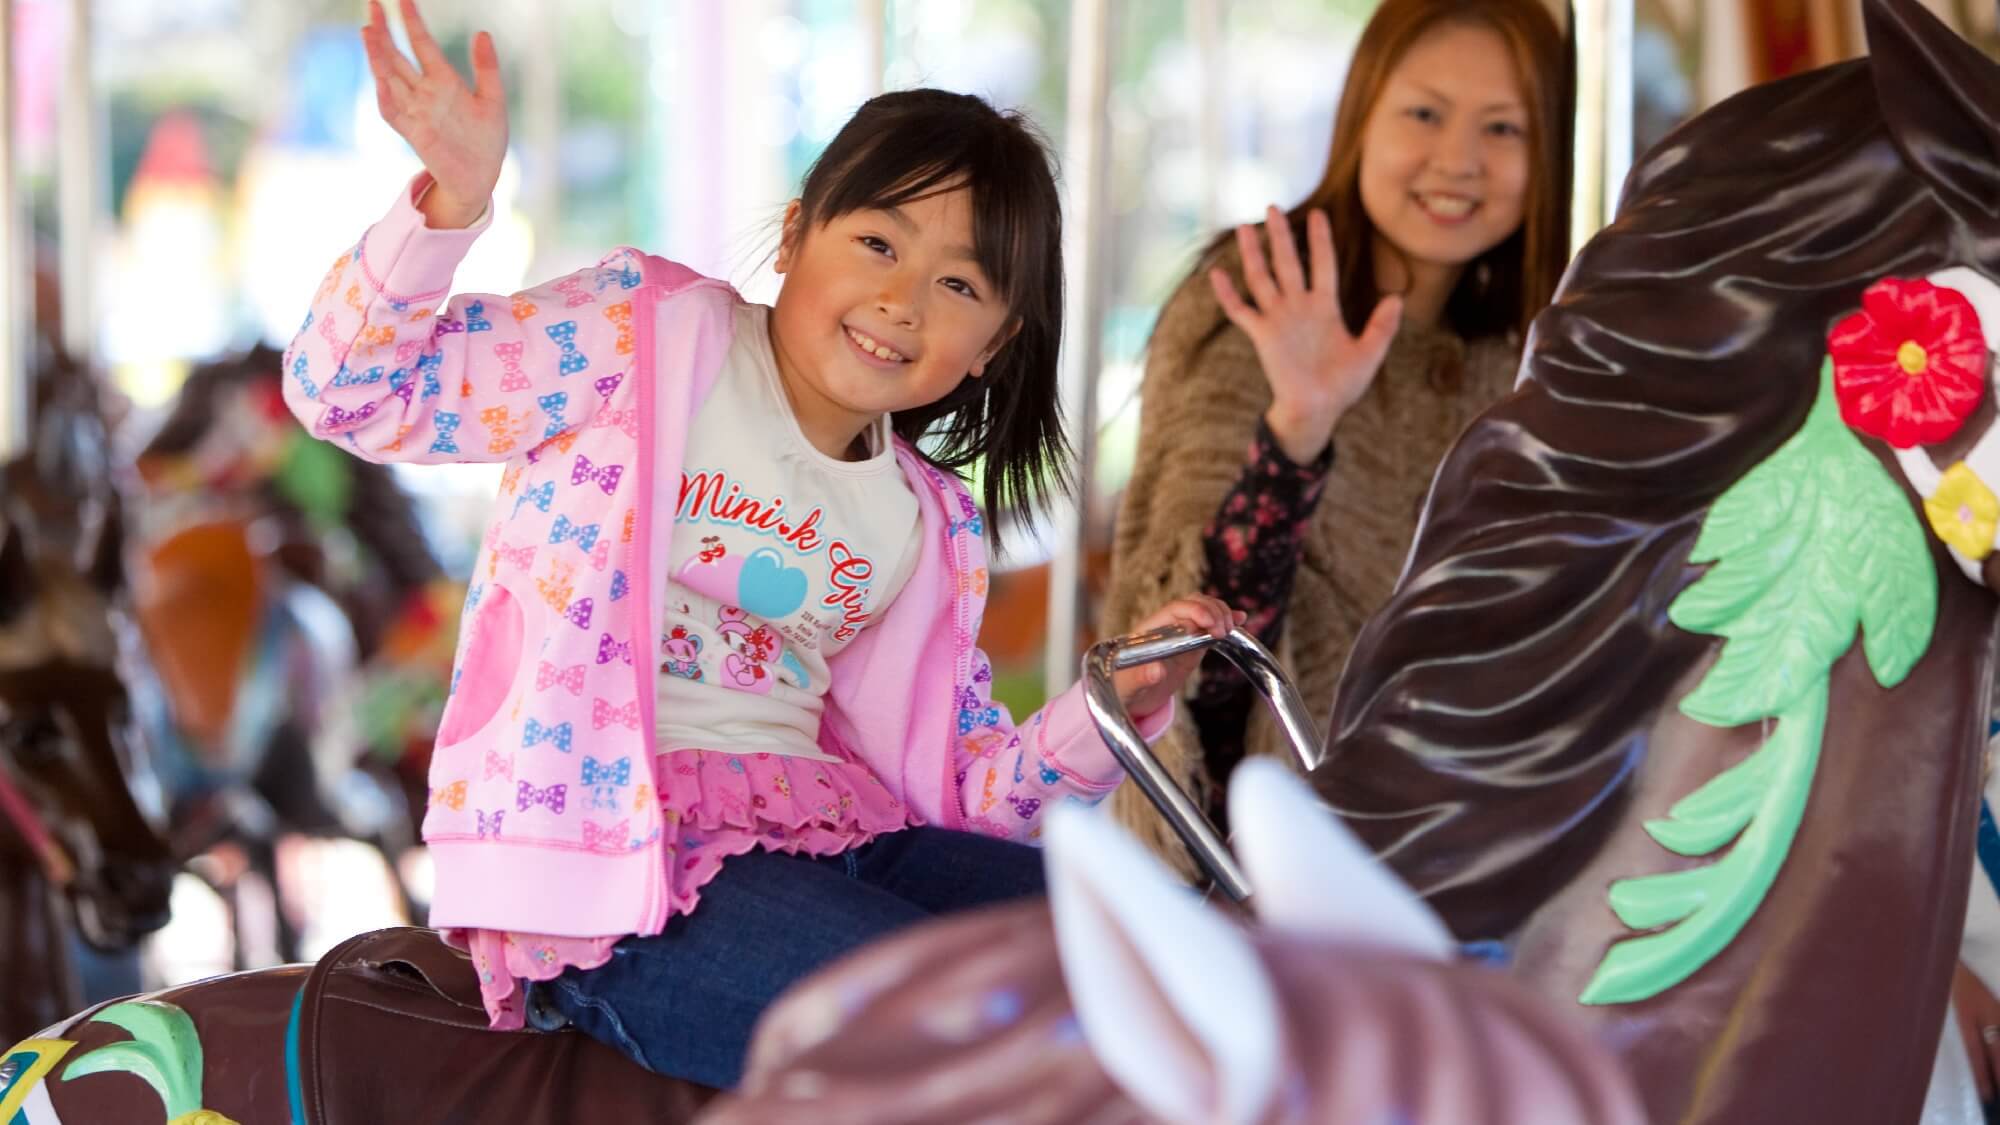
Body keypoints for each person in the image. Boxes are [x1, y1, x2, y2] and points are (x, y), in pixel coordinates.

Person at [284, 0, 1236, 1089]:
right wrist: (450, 206)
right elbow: (352, 393)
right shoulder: (641, 340)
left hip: (831, 830)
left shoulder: (922, 522)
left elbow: (965, 791)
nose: (899, 299)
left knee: (1170, 948)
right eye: (877, 241)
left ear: (995, 344)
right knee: (930, 1018)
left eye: (959, 284)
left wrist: (1111, 706)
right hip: (616, 868)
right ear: (795, 236)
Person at [1100, 0, 1569, 872]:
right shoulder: (1253, 298)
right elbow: (1187, 655)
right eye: (1425, 113)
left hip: (1476, 827)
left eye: (1505, 127)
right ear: (1363, 117)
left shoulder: (1540, 354)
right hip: (1255, 849)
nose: (1459, 161)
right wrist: (1298, 430)